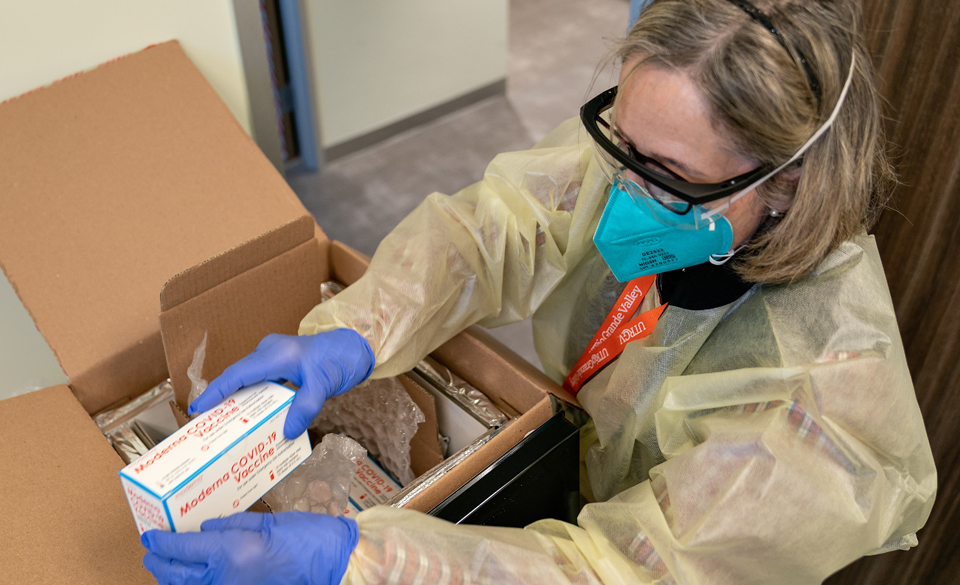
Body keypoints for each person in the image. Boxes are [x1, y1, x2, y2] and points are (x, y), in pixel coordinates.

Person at [140, 0, 937, 583]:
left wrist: (363, 560)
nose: (619, 191)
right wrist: (358, 331)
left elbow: (617, 572)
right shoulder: (652, 162)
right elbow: (500, 227)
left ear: (787, 185)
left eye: (666, 178)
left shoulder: (820, 411)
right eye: (620, 143)